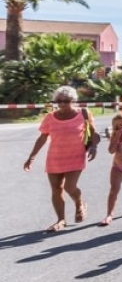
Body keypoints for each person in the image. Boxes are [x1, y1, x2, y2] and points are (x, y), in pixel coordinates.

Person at [23, 86, 100, 232]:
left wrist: (94, 147)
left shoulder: (83, 113)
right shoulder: (50, 117)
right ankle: (61, 220)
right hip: (55, 157)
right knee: (56, 189)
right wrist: (31, 157)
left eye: (66, 101)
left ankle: (79, 202)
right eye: (59, 101)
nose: (62, 104)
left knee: (69, 187)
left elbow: (94, 133)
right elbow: (43, 137)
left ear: (74, 100)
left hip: (76, 156)